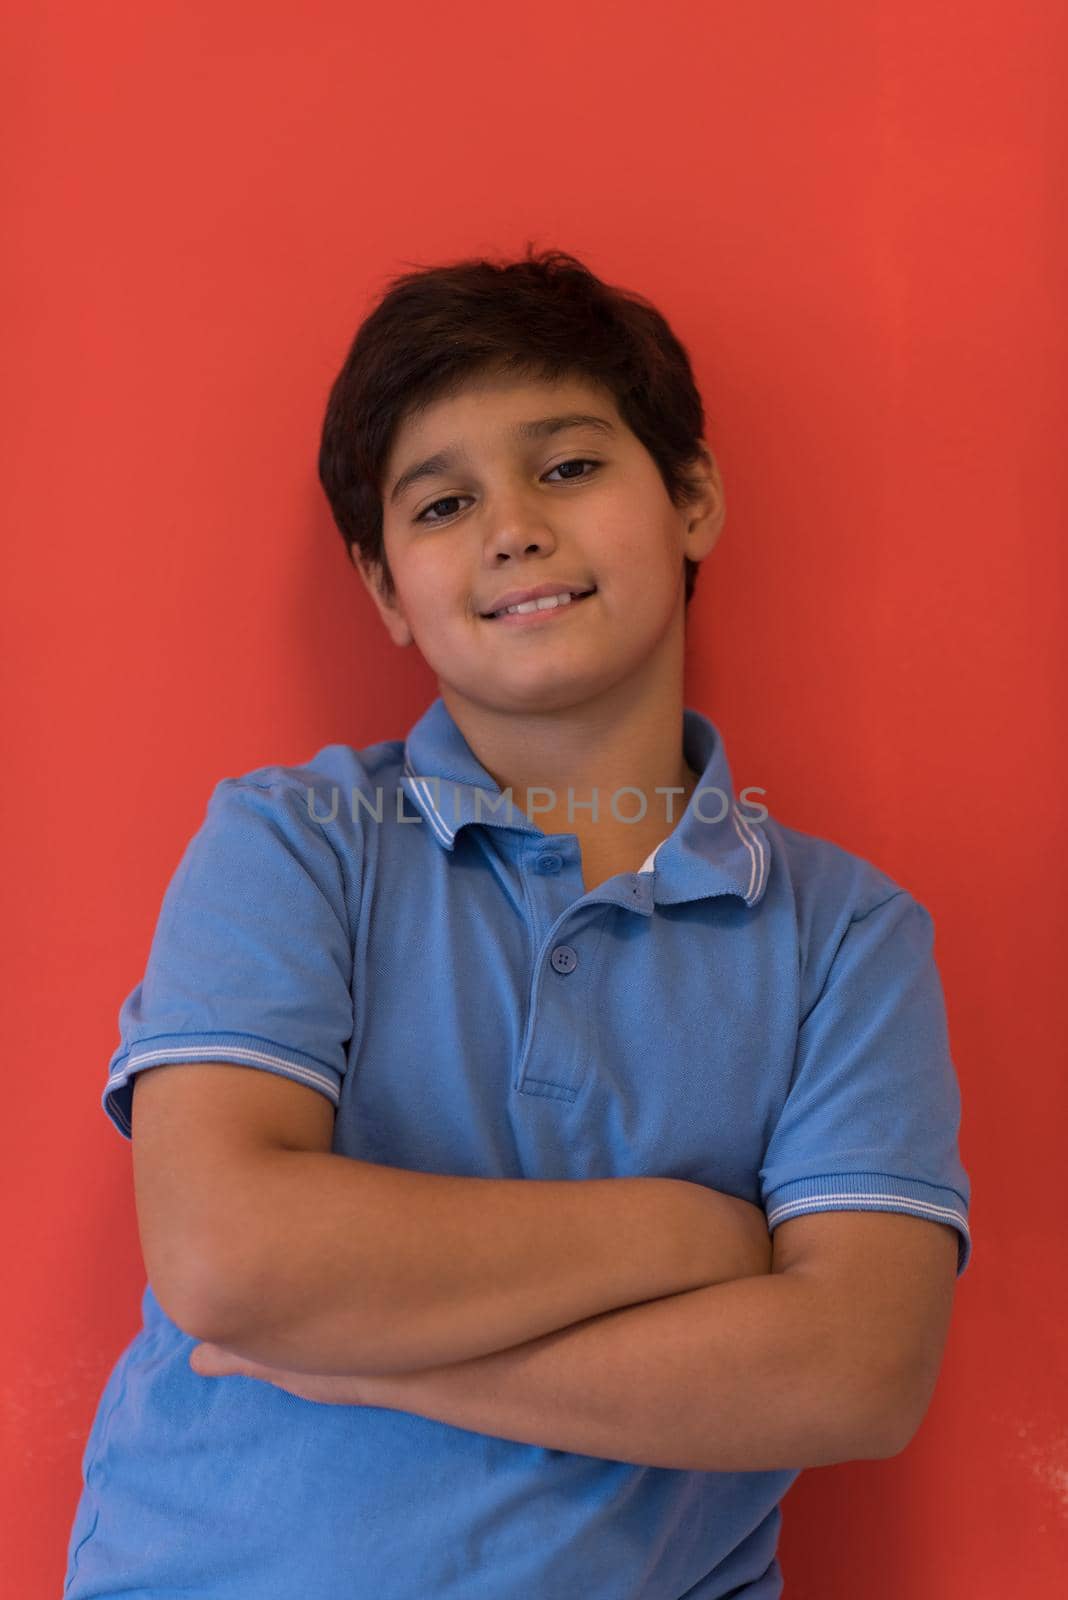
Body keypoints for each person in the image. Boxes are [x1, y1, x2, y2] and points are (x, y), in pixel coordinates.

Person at [64, 245, 972, 1599]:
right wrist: (686, 1236)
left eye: (567, 468)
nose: (512, 529)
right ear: (384, 590)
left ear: (693, 499)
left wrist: (349, 1345)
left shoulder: (848, 938)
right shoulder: (293, 840)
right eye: (441, 504)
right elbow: (225, 1255)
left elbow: (855, 1374)